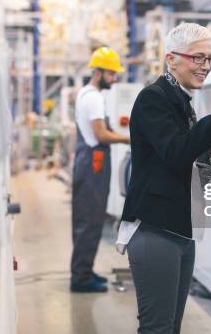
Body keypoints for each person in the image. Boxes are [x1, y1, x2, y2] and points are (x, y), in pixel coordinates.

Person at [117, 23, 211, 333]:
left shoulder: (182, 103)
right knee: (158, 327)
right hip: (154, 230)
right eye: (198, 58)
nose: (205, 67)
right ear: (171, 59)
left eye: (210, 59)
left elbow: (182, 167)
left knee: (171, 326)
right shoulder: (154, 99)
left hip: (180, 230)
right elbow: (176, 152)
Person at [70, 47, 130, 293]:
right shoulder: (93, 98)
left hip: (90, 161)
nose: (115, 78)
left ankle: (84, 270)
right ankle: (81, 278)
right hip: (93, 161)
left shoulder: (86, 93)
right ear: (99, 71)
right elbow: (101, 134)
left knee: (88, 219)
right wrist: (130, 139)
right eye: (112, 73)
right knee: (90, 220)